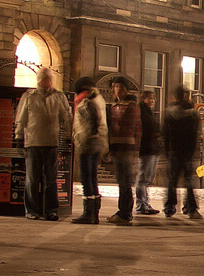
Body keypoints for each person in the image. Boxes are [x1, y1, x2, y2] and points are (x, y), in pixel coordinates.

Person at [15, 67, 72, 222]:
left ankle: (50, 210)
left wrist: (66, 138)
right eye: (43, 79)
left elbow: (66, 117)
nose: (46, 82)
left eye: (48, 79)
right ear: (39, 80)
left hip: (51, 142)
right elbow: (21, 118)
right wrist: (19, 137)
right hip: (33, 142)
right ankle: (32, 209)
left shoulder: (58, 97)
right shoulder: (29, 96)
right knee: (32, 179)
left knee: (51, 180)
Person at [71, 76, 108, 225]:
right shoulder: (99, 99)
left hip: (87, 143)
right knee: (92, 178)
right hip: (97, 142)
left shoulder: (86, 101)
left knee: (86, 179)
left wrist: (82, 138)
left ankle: (89, 213)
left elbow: (90, 121)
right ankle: (94, 213)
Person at [162, 86, 203, 219]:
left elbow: (166, 134)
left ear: (175, 97)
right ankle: (191, 208)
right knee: (189, 182)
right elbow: (195, 135)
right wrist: (193, 151)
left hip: (175, 150)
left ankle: (169, 208)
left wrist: (167, 150)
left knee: (172, 181)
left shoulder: (169, 112)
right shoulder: (193, 114)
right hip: (187, 152)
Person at [107, 77, 140, 225]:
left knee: (125, 181)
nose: (117, 90)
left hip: (126, 149)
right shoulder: (115, 106)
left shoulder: (131, 107)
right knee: (122, 181)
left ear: (125, 89)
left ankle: (125, 213)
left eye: (120, 87)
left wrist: (136, 150)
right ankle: (123, 211)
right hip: (117, 148)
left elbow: (137, 130)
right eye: (115, 87)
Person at [135, 90, 162, 215]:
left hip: (152, 148)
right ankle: (141, 204)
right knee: (143, 178)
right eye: (149, 98)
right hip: (146, 149)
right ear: (143, 99)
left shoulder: (149, 113)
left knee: (148, 179)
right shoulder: (142, 112)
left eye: (153, 99)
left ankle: (145, 203)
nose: (152, 101)